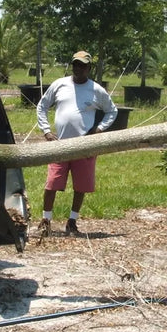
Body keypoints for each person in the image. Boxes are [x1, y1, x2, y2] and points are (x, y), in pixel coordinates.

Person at [35, 50, 117, 237]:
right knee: (52, 184)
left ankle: (72, 221)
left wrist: (98, 130)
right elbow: (42, 106)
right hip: (60, 145)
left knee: (81, 186)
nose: (78, 68)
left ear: (89, 68)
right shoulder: (59, 85)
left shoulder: (96, 90)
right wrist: (47, 131)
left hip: (84, 146)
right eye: (75, 65)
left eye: (82, 65)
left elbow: (112, 111)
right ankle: (46, 220)